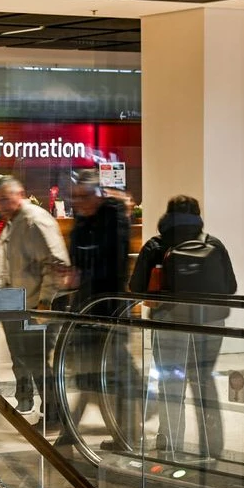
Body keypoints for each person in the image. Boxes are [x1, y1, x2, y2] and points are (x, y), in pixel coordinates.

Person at [129, 195, 236, 459]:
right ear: (198, 216)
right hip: (210, 323)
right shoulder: (214, 244)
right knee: (203, 381)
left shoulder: (156, 244)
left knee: (170, 382)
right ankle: (212, 447)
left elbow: (136, 287)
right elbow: (231, 287)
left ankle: (170, 443)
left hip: (169, 323)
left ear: (167, 216)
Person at [0, 176, 71, 418]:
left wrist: (45, 301)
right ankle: (45, 411)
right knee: (4, 353)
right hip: (3, 297)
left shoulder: (32, 220)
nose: (0, 204)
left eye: (4, 199)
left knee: (32, 358)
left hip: (31, 303)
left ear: (18, 194)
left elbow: (57, 263)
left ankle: (52, 411)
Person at [67, 170, 143, 449]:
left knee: (107, 374)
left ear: (99, 194)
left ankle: (125, 433)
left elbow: (113, 267)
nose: (79, 202)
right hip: (86, 308)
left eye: (85, 196)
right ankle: (120, 432)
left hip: (108, 310)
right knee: (91, 374)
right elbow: (79, 260)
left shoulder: (112, 220)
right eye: (75, 197)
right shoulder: (82, 222)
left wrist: (83, 274)